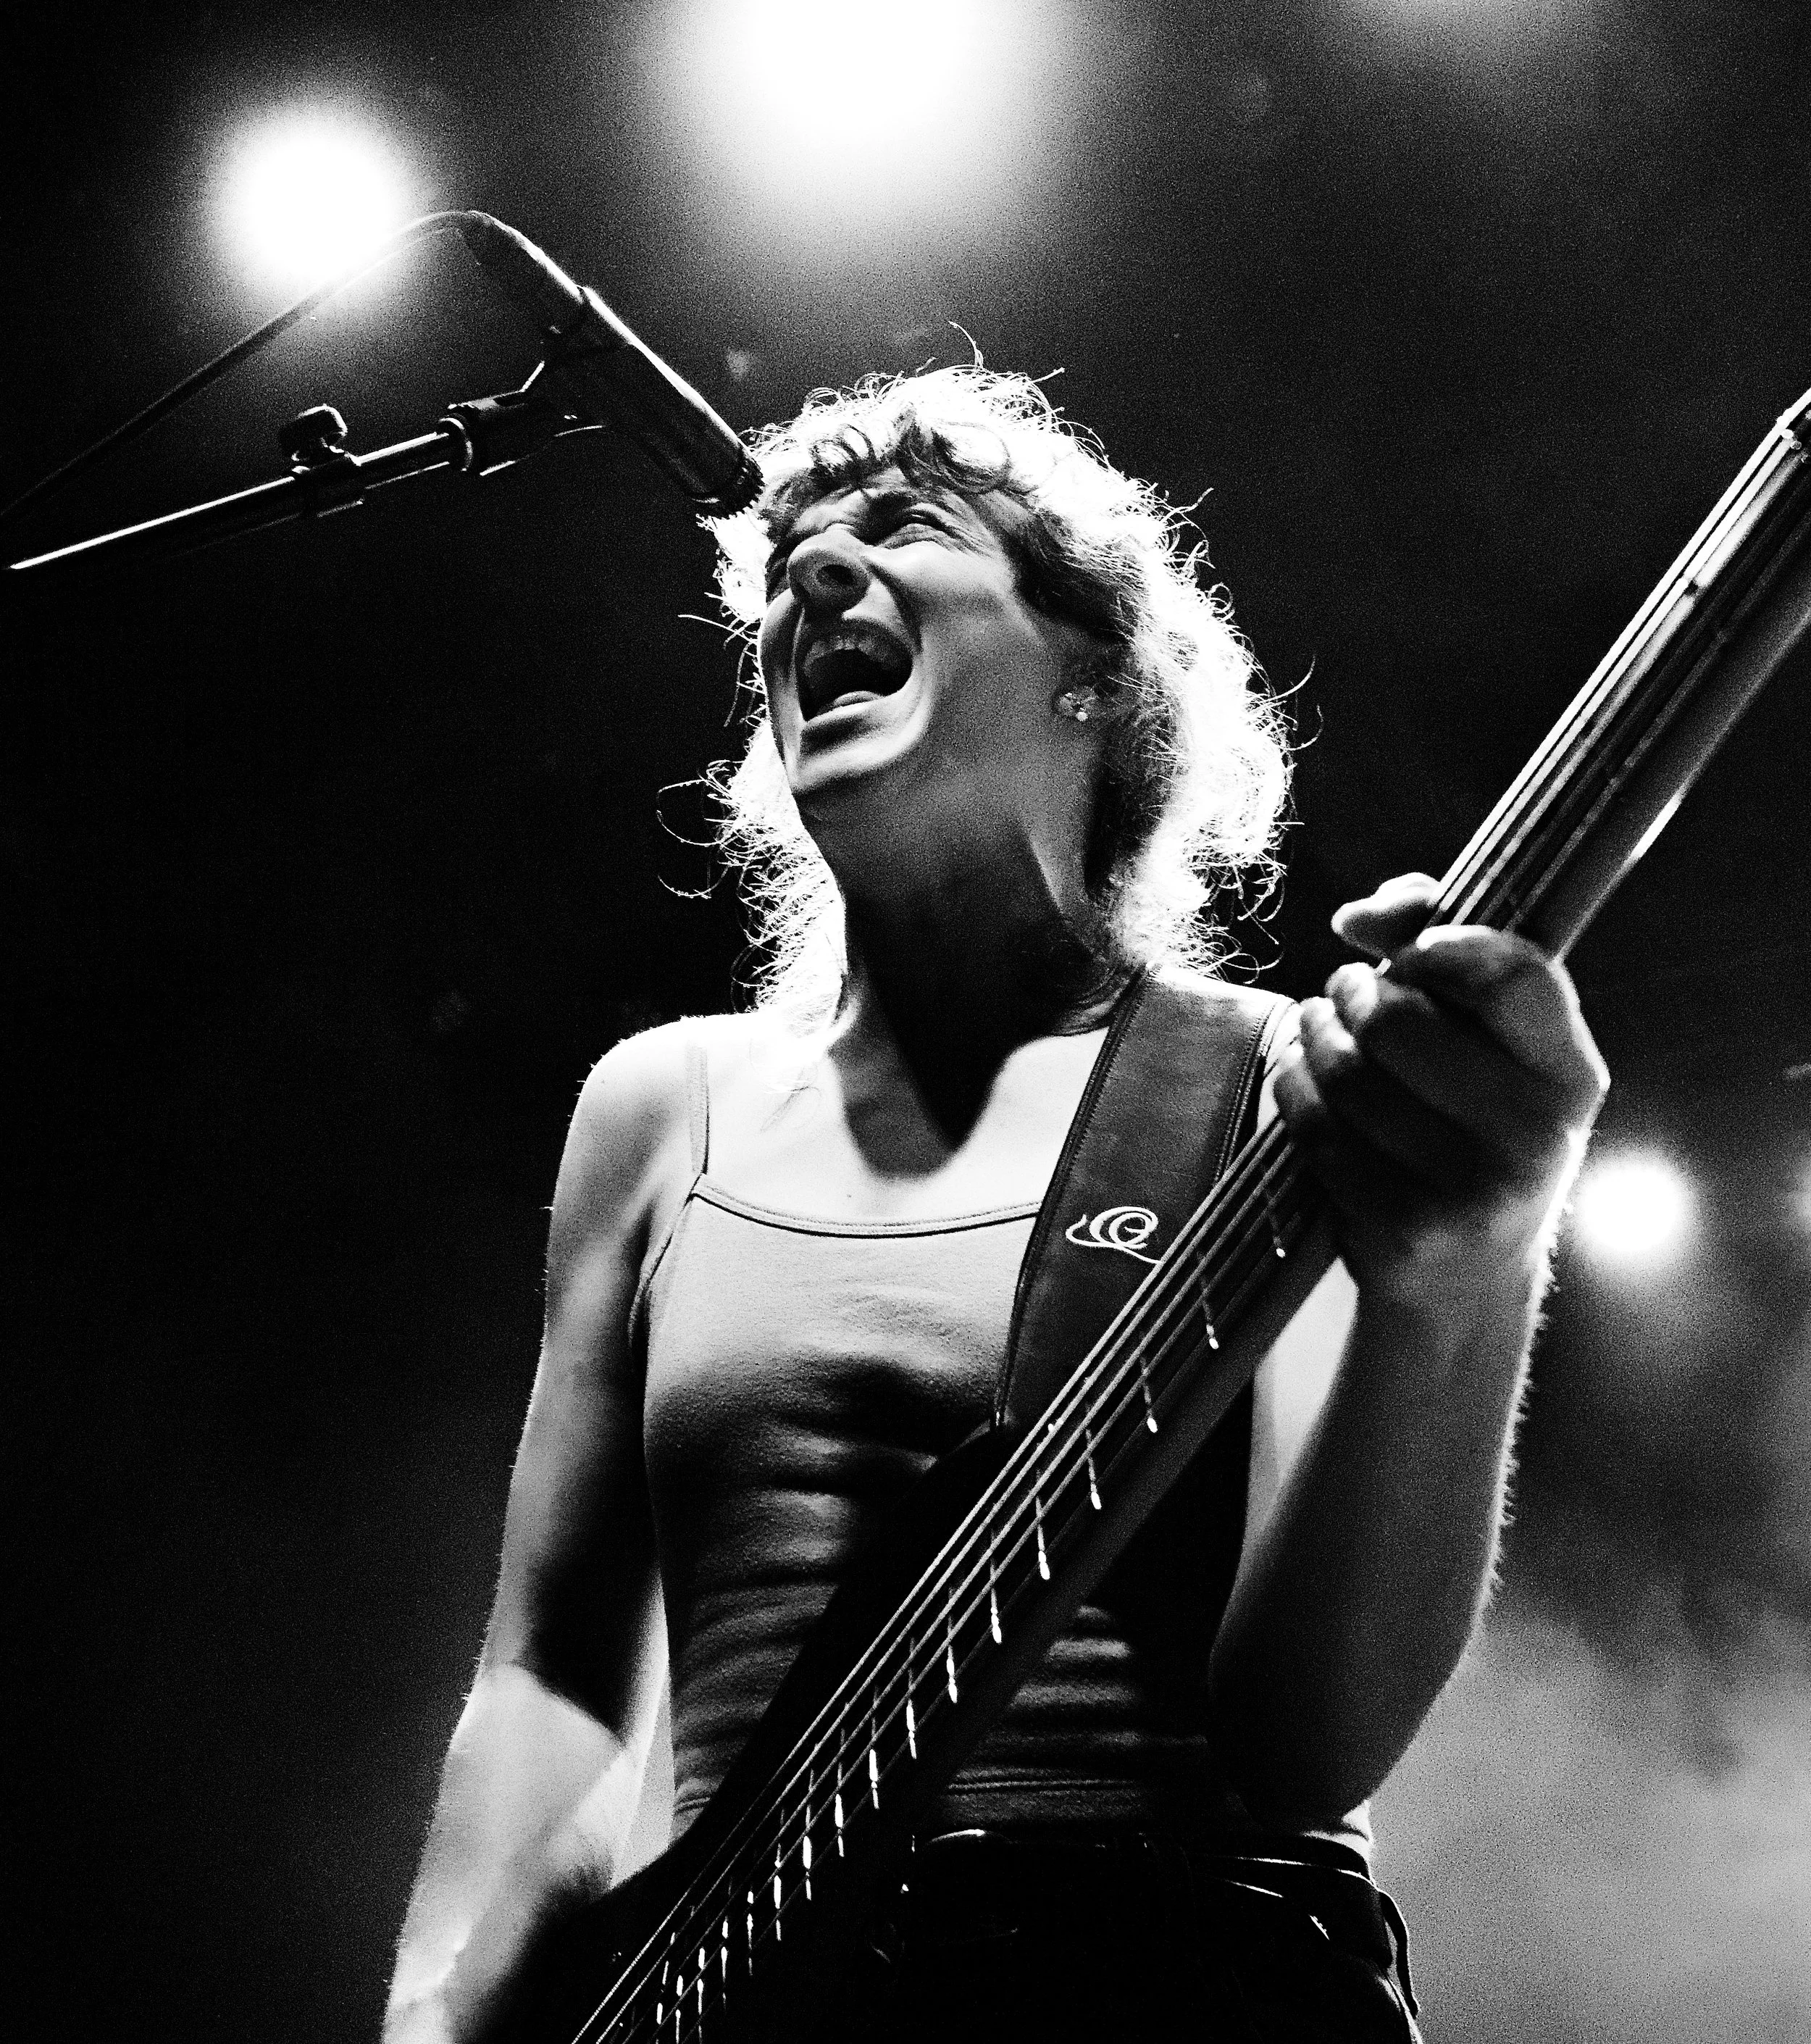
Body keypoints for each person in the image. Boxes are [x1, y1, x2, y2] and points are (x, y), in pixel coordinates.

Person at [382, 365, 1609, 2043]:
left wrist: (1464, 1271)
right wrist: (438, 2014)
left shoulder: (1260, 1082)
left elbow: (1298, 1746)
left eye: (899, 530)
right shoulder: (662, 1109)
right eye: (790, 559)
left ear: (1093, 679)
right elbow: (556, 1679)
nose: (814, 575)